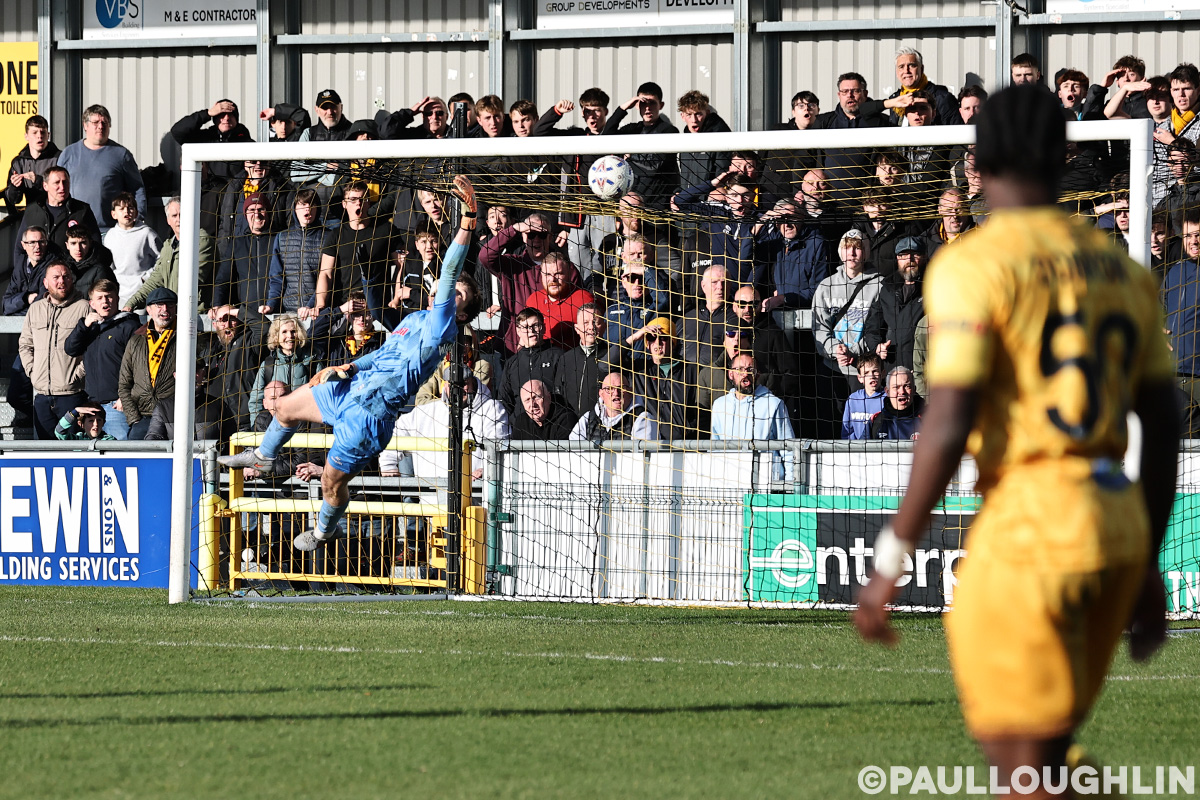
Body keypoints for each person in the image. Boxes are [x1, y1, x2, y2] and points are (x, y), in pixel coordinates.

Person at [855, 84, 1179, 798]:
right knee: (1048, 756)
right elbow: (1163, 422)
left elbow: (948, 420)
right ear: (1062, 156)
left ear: (979, 159)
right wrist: (1148, 562)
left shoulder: (975, 264)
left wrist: (890, 559)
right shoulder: (1122, 271)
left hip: (1033, 527)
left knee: (1021, 769)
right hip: (1115, 523)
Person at [217, 176, 483, 553]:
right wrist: (350, 368)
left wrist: (468, 219)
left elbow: (451, 268)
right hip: (351, 389)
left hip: (371, 416)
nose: (449, 291)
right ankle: (262, 457)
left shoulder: (443, 326)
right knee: (286, 406)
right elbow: (383, 354)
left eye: (458, 295)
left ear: (462, 312)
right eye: (450, 290)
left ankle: (325, 530)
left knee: (331, 483)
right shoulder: (415, 319)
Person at [18, 262, 90, 440]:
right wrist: (33, 372)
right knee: (45, 451)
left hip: (71, 396)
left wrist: (77, 375)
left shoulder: (84, 308)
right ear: (45, 282)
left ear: (72, 280)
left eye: (66, 277)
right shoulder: (35, 309)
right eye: (56, 277)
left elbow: (92, 348)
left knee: (73, 450)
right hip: (42, 396)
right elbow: (25, 345)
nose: (61, 281)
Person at [63, 278, 141, 439]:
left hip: (118, 406)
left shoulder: (129, 326)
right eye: (99, 298)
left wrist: (126, 397)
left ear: (117, 299)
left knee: (118, 451)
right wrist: (83, 325)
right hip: (94, 407)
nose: (105, 301)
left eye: (109, 296)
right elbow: (70, 349)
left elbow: (141, 366)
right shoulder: (90, 327)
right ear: (92, 304)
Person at [311, 180, 397, 324]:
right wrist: (320, 304)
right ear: (344, 204)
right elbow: (325, 273)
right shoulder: (336, 235)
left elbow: (401, 264)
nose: (358, 203)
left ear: (369, 203)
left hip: (378, 309)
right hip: (347, 308)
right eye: (353, 199)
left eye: (362, 199)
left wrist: (396, 297)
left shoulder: (386, 230)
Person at [812, 229, 883, 401]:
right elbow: (819, 328)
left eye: (857, 247)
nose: (851, 253)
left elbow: (880, 329)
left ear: (866, 252)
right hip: (831, 370)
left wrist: (853, 352)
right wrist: (835, 350)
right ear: (840, 251)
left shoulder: (880, 285)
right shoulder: (826, 286)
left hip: (865, 373)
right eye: (847, 247)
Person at [55, 104, 147, 233]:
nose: (101, 126)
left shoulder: (121, 155)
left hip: (110, 231)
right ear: (85, 125)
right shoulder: (69, 154)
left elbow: (137, 189)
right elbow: (55, 188)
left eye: (105, 123)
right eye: (95, 122)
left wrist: (138, 217)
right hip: (74, 230)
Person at [710, 354, 794, 482]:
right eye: (740, 369)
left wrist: (789, 485)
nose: (745, 374)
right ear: (731, 374)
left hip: (766, 482)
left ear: (757, 375)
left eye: (750, 370)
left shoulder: (773, 404)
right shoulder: (719, 405)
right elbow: (714, 448)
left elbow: (788, 448)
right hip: (729, 481)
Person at [601, 81, 680, 209]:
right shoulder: (632, 129)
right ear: (637, 105)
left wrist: (629, 159)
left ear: (661, 105)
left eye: (652, 103)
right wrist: (623, 108)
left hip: (658, 204)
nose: (647, 108)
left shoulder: (669, 131)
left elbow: (653, 167)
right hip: (631, 204)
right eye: (643, 103)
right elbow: (606, 138)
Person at [117, 287, 179, 440]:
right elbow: (124, 384)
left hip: (173, 417)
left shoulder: (186, 337)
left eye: (170, 305)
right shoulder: (135, 341)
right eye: (159, 305)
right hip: (142, 417)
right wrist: (134, 418)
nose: (165, 309)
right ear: (149, 310)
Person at [863, 235, 926, 371]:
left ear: (923, 257)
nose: (909, 259)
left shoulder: (934, 288)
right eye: (903, 255)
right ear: (897, 258)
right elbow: (873, 327)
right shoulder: (887, 289)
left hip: (923, 369)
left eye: (915, 254)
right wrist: (877, 346)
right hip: (892, 368)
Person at [248, 313, 318, 421]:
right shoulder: (268, 366)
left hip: (305, 423)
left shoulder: (312, 362)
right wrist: (257, 425)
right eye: (284, 332)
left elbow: (322, 395)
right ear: (276, 336)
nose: (290, 336)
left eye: (293, 331)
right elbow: (255, 400)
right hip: (276, 424)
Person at [523, 252, 595, 349]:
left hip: (571, 356)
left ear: (569, 273)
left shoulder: (584, 299)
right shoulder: (533, 300)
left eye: (558, 274)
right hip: (539, 356)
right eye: (547, 274)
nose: (553, 279)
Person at [497, 308, 561, 416]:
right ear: (518, 331)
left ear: (543, 328)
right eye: (525, 327)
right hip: (520, 422)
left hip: (552, 420)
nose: (531, 330)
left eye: (535, 325)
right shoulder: (512, 363)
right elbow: (505, 400)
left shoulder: (557, 356)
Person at [103, 192, 161, 308]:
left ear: (136, 212)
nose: (126, 212)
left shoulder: (147, 233)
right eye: (121, 209)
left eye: (130, 208)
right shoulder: (110, 236)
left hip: (141, 292)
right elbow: (108, 265)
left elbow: (162, 259)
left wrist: (145, 278)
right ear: (114, 214)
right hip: (119, 293)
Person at [569, 370, 658, 443]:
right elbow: (574, 451)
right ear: (601, 394)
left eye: (621, 388)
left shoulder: (643, 418)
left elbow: (643, 455)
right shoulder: (588, 418)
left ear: (630, 392)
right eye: (609, 389)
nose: (616, 393)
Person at [553, 303, 605, 419]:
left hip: (600, 424)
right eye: (585, 323)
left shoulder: (613, 357)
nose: (591, 327)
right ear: (577, 329)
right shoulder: (566, 358)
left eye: (595, 322)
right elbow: (558, 393)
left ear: (604, 326)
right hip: (570, 423)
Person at [886, 47, 959, 127]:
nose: (906, 71)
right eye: (901, 67)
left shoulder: (942, 98)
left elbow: (957, 131)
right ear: (897, 72)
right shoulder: (895, 100)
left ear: (922, 69)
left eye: (912, 65)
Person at [4, 115, 59, 216]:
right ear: (26, 136)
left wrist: (38, 180)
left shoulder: (59, 158)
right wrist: (15, 187)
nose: (39, 136)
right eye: (34, 133)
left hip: (55, 214)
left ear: (48, 135)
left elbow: (63, 190)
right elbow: (13, 199)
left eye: (43, 132)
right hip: (31, 215)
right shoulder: (19, 162)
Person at [62, 223, 117, 301]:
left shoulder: (100, 269)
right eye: (73, 243)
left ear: (90, 243)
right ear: (67, 245)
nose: (78, 248)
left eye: (83, 243)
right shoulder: (63, 267)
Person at [866, 365, 923, 439]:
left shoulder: (929, 418)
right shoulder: (877, 422)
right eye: (896, 387)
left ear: (914, 389)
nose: (902, 392)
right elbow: (861, 446)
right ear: (887, 391)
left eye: (907, 386)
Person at [841, 356, 885, 440]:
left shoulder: (889, 399)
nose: (871, 376)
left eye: (875, 371)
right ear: (860, 378)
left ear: (883, 373)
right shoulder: (853, 399)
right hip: (857, 447)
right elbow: (847, 431)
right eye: (866, 373)